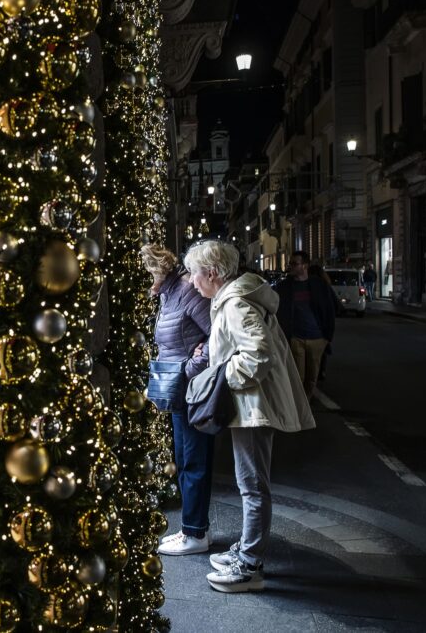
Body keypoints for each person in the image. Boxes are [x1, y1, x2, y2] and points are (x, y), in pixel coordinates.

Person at [184, 240, 316, 593]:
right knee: (252, 484)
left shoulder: (235, 303)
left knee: (253, 486)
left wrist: (221, 378)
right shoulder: (234, 298)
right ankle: (247, 550)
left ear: (212, 273)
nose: (192, 280)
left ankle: (250, 565)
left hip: (252, 408)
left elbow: (257, 354)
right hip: (249, 406)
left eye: (195, 273)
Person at [139, 245, 214, 556]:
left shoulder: (186, 292)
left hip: (192, 390)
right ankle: (192, 529)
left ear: (156, 272)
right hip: (179, 392)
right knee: (185, 459)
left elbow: (217, 336)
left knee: (194, 460)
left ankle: (195, 533)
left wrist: (190, 367)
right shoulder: (170, 294)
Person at [275, 251, 336, 399]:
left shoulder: (319, 285)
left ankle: (306, 405)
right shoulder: (284, 287)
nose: (291, 266)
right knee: (297, 377)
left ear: (304, 266)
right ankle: (298, 408)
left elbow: (330, 310)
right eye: (290, 264)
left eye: (295, 264)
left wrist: (327, 337)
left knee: (312, 377)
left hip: (317, 338)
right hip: (296, 338)